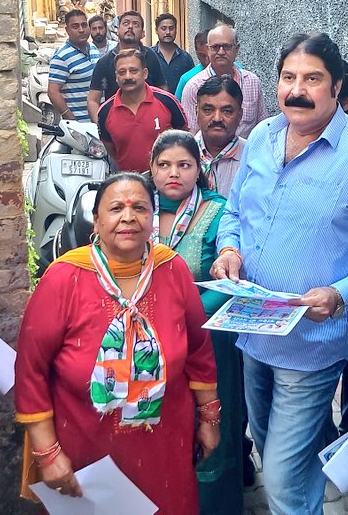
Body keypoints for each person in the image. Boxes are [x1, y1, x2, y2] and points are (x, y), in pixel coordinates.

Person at [210, 32, 348, 515]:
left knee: (281, 478)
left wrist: (340, 292)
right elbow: (234, 212)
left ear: (337, 87)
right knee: (275, 449)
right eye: (288, 77)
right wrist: (228, 250)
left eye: (312, 79)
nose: (297, 90)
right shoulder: (262, 138)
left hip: (313, 343)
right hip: (252, 329)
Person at [14, 173, 220, 515]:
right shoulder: (64, 278)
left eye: (139, 208)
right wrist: (47, 453)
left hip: (166, 446)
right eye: (115, 209)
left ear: (152, 219)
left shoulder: (172, 269)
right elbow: (31, 369)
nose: (128, 217)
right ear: (96, 221)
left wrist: (209, 419)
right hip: (84, 451)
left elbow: (199, 349)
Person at [147, 131, 244, 514]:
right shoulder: (138, 208)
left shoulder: (217, 211)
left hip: (206, 340)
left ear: (198, 168)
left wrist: (181, 321)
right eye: (164, 165)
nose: (174, 173)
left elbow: (230, 281)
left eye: (184, 165)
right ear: (151, 169)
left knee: (211, 426)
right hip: (148, 343)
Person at [97, 48, 187, 172]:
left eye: (133, 71)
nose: (128, 76)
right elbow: (110, 149)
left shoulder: (167, 101)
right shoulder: (105, 112)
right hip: (128, 180)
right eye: (122, 72)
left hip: (167, 178)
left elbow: (184, 137)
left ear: (145, 73)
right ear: (116, 77)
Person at [181, 24, 267, 138]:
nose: (221, 52)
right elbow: (191, 134)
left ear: (237, 49)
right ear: (208, 49)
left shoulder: (252, 82)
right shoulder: (194, 86)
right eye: (215, 47)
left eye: (227, 47)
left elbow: (263, 127)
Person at [88, 10, 169, 123]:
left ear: (142, 33)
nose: (130, 27)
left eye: (136, 24)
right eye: (126, 23)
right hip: (116, 123)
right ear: (117, 30)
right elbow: (93, 100)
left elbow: (162, 89)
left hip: (150, 121)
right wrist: (100, 126)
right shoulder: (104, 62)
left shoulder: (150, 56)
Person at [194, 74, 245, 198]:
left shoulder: (253, 157)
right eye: (208, 110)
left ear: (240, 115)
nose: (217, 118)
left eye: (227, 111)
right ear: (196, 112)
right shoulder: (180, 155)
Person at [46, 9, 100, 121]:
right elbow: (53, 92)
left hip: (98, 121)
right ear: (67, 30)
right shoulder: (62, 57)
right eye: (75, 26)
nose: (81, 30)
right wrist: (72, 120)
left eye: (84, 25)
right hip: (79, 124)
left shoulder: (93, 48)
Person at [152, 13, 196, 93]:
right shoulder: (149, 56)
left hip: (179, 100)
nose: (168, 32)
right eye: (163, 28)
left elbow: (192, 84)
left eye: (171, 28)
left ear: (176, 30)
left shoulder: (185, 58)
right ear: (156, 30)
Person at [174, 29, 209, 101]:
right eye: (202, 56)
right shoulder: (186, 79)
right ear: (196, 52)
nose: (207, 61)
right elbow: (177, 106)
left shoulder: (233, 70)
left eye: (210, 55)